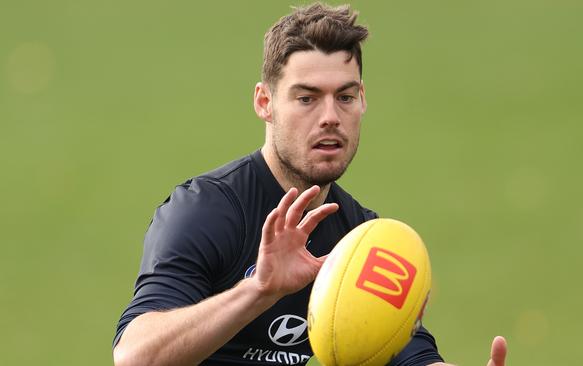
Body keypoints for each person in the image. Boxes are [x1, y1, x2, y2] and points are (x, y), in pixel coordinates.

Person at [113, 3, 508, 366]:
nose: (330, 117)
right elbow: (135, 356)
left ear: (363, 100)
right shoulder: (207, 209)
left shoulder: (360, 239)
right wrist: (259, 290)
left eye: (345, 97)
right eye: (307, 99)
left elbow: (408, 351)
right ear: (264, 102)